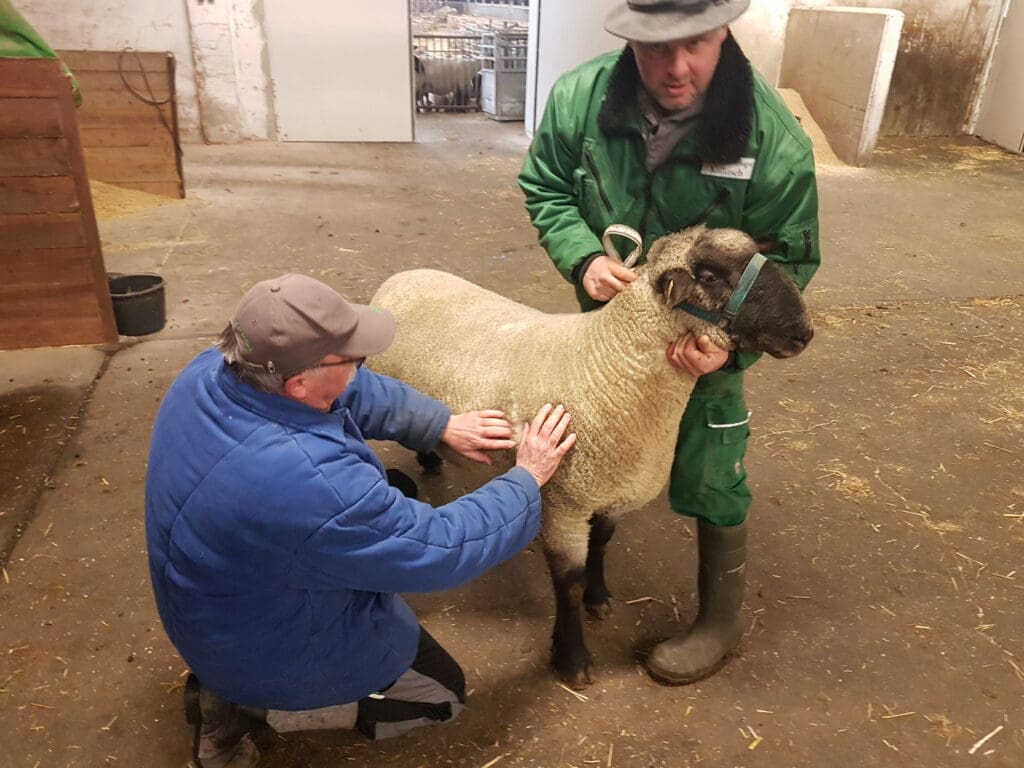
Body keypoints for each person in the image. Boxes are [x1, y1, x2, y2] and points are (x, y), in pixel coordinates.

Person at [145, 273, 576, 767]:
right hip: (267, 646)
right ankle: (249, 708)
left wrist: (439, 424)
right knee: (440, 697)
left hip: (214, 608)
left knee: (393, 493)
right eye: (351, 357)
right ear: (299, 381)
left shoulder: (215, 372)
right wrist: (526, 478)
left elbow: (348, 388)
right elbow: (441, 549)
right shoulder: (312, 485)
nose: (359, 366)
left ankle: (225, 685)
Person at [518, 0, 820, 685]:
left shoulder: (772, 139)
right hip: (609, 339)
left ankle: (719, 619)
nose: (676, 67)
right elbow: (545, 187)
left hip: (705, 342)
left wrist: (730, 348)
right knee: (595, 451)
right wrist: (580, 257)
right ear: (630, 37)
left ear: (724, 33)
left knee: (711, 465)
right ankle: (589, 553)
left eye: (697, 44)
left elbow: (790, 262)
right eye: (656, 48)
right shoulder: (580, 99)